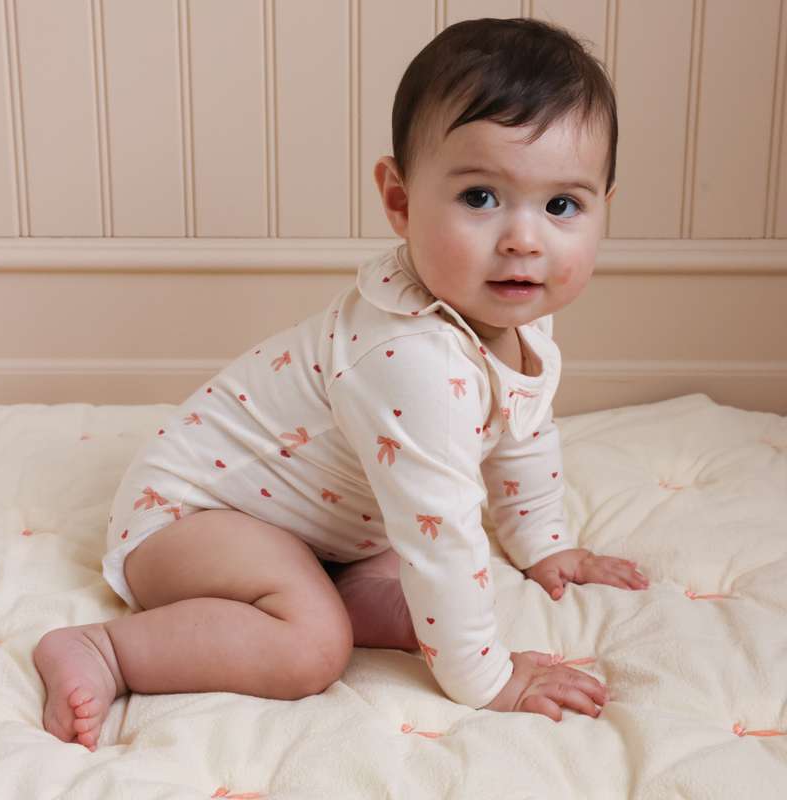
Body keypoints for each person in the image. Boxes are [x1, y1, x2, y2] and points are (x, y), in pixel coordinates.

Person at [33, 16, 649, 752]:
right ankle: (104, 651)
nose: (524, 239)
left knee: (416, 604)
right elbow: (443, 530)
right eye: (481, 198)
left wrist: (544, 544)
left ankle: (332, 585)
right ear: (400, 200)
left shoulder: (513, 316)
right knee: (314, 645)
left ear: (604, 207)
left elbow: (521, 429)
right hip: (190, 518)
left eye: (561, 206)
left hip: (323, 533)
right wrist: (490, 679)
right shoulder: (412, 360)